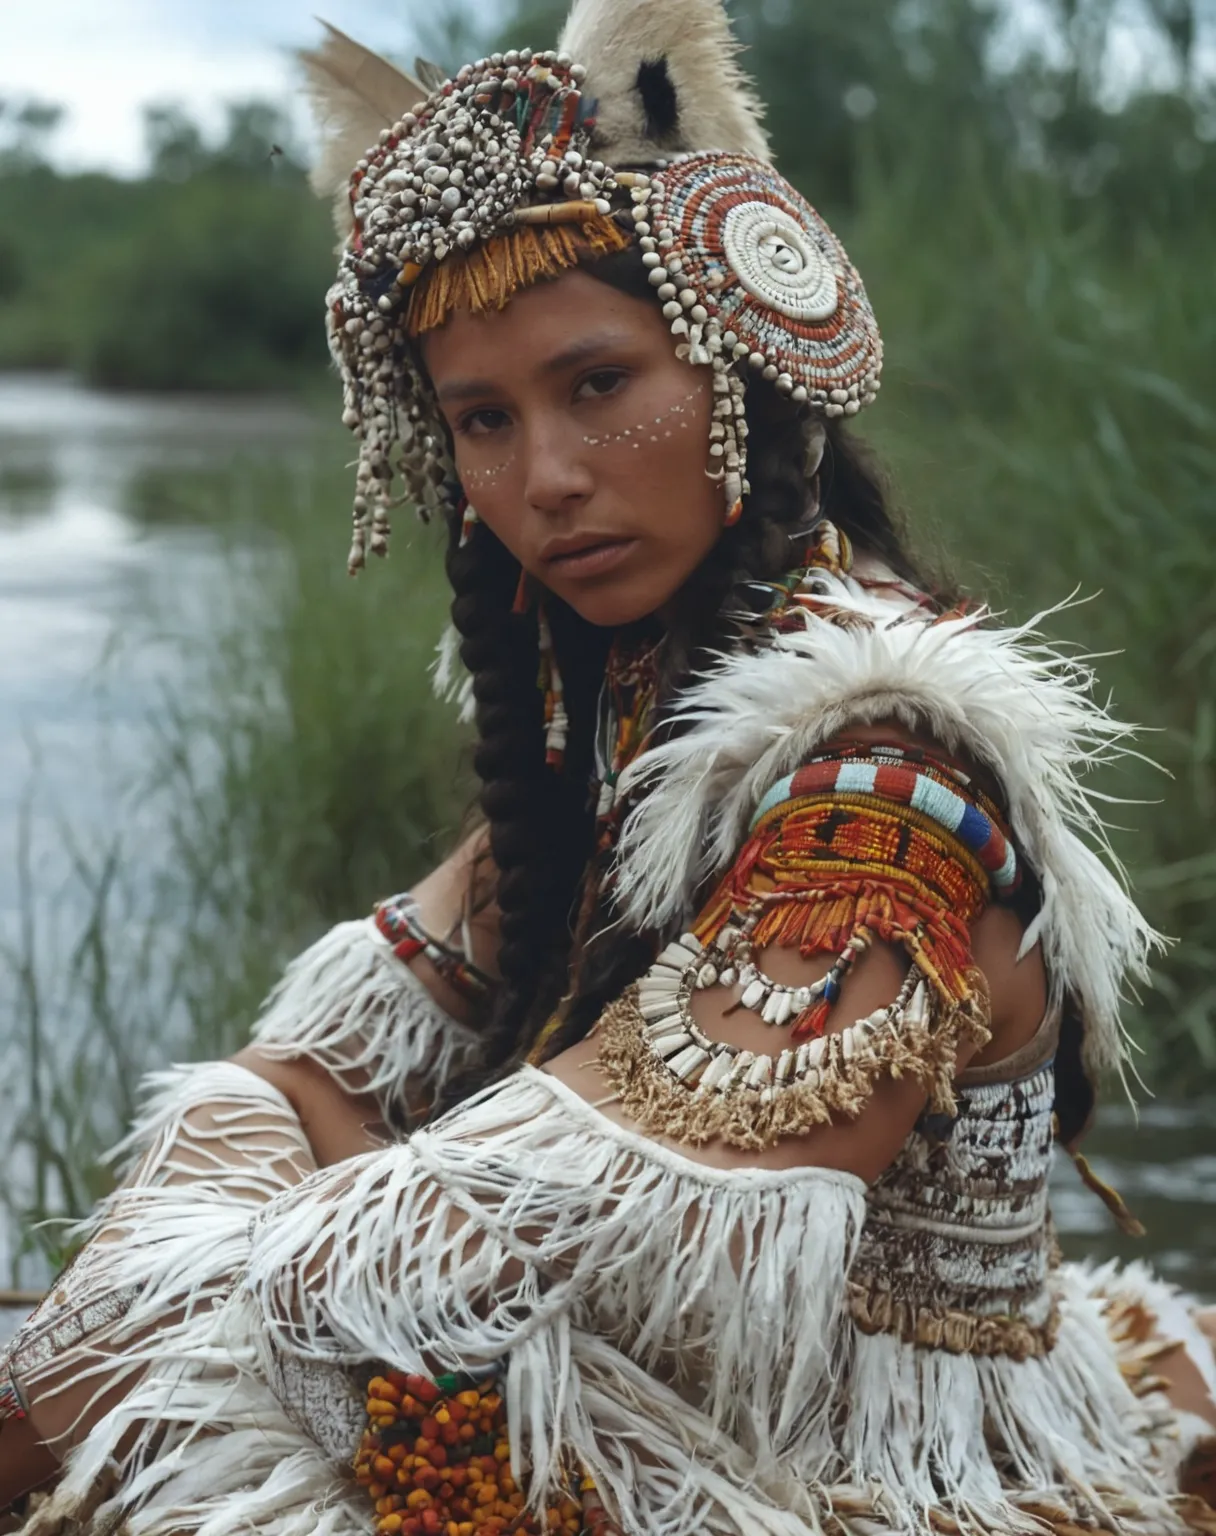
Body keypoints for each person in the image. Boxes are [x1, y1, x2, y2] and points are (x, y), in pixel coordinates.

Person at [3, 0, 1215, 1532]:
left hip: (862, 1465)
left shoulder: (883, 782)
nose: (545, 479)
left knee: (179, 1396)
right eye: (483, 422)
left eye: (597, 386)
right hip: (647, 1384)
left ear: (741, 364)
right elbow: (314, 1069)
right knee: (209, 1158)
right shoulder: (628, 698)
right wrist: (246, 1160)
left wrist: (217, 1230)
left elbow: (385, 1270)